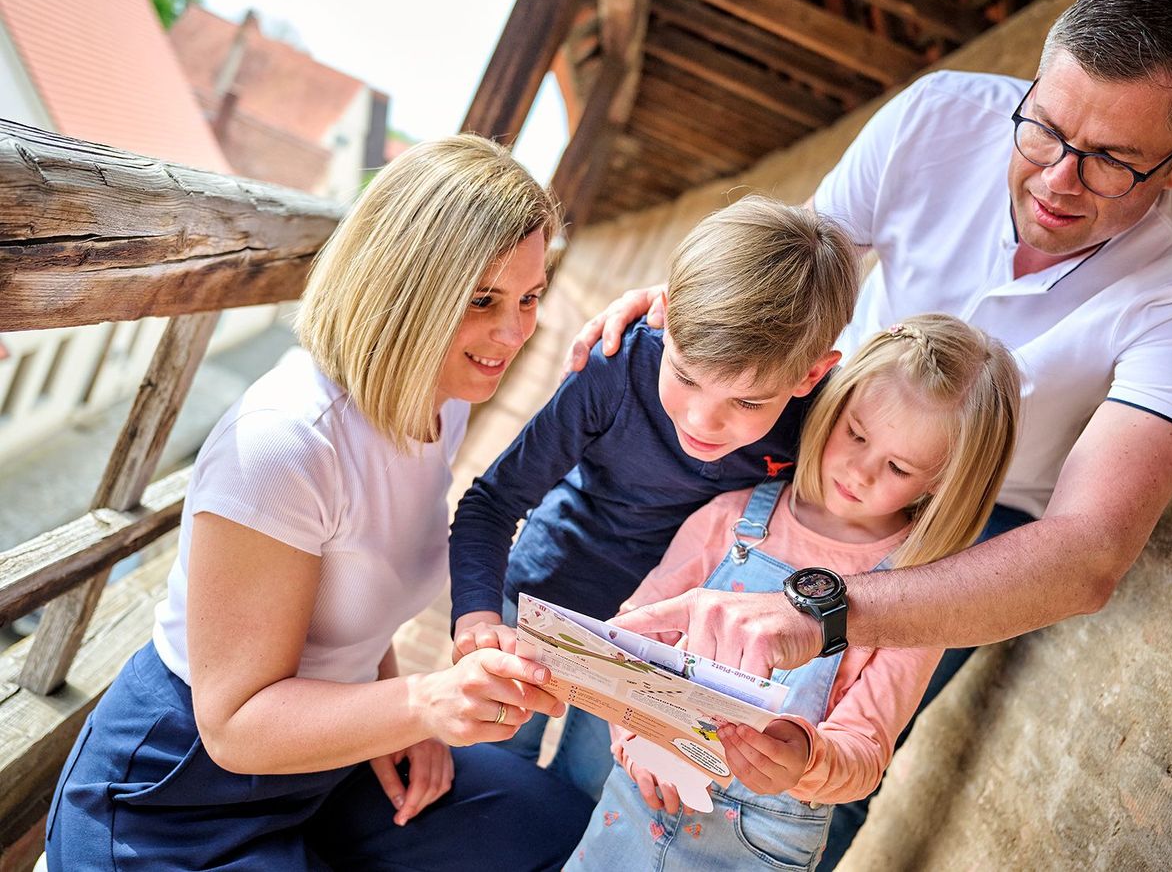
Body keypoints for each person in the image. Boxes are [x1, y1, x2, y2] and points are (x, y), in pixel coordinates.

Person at [574, 0, 1172, 866]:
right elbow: (793, 266)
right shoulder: (937, 116)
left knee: (844, 742)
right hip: (835, 423)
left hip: (980, 514)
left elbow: (1090, 552)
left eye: (1111, 160)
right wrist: (691, 306)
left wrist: (830, 610)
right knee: (646, 671)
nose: (1057, 179)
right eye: (1044, 128)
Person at [46, 135, 594, 871]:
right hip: (178, 796)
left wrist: (400, 710)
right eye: (482, 300)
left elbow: (351, 597)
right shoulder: (284, 442)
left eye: (530, 297)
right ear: (407, 288)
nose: (514, 332)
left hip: (324, 761)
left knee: (552, 824)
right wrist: (423, 704)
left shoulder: (443, 395)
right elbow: (234, 724)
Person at [566, 314, 1020, 870]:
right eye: (855, 433)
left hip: (759, 846)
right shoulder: (732, 518)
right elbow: (632, 635)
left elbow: (867, 750)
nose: (861, 471)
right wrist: (635, 735)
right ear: (834, 403)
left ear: (944, 482)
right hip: (637, 799)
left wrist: (805, 757)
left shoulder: (917, 599)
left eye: (899, 467)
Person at [447, 196, 861, 800]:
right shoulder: (615, 368)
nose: (701, 420)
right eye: (686, 376)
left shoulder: (817, 430)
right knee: (483, 783)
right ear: (663, 315)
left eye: (747, 403)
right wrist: (477, 621)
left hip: (663, 651)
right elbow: (491, 501)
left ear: (810, 377)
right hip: (542, 603)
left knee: (588, 795)